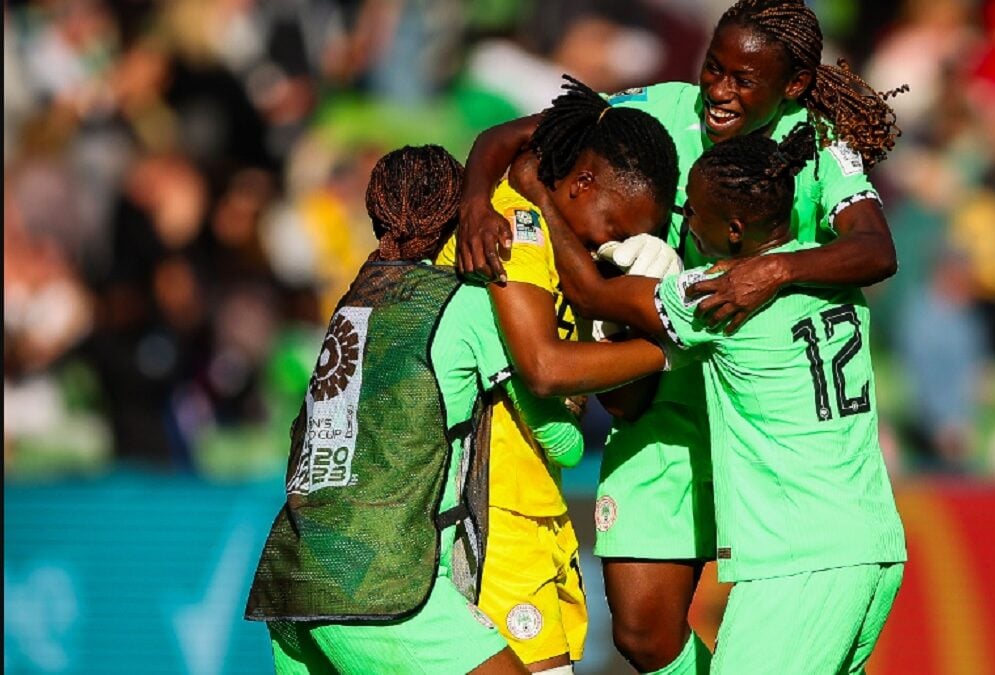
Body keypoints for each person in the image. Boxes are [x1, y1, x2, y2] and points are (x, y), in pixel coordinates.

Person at [455, 1, 906, 671]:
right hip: (666, 395)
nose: (719, 91)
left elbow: (876, 249)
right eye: (713, 68)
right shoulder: (664, 108)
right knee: (643, 633)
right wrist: (474, 203)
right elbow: (513, 136)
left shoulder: (820, 142)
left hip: (761, 402)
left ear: (793, 85)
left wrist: (770, 272)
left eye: (743, 79)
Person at [244, 145, 671, 674]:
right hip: (384, 585)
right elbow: (562, 441)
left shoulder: (353, 301)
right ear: (461, 215)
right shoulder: (464, 303)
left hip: (294, 577)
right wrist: (659, 351)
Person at [542, 131, 907, 674]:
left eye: (694, 211)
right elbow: (872, 245)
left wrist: (540, 202)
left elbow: (590, 294)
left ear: (734, 229)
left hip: (796, 562)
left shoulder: (725, 294)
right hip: (872, 546)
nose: (685, 221)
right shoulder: (835, 272)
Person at [436, 76, 682, 673]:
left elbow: (623, 403)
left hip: (536, 508)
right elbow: (543, 369)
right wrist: (673, 350)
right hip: (487, 508)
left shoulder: (571, 246)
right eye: (616, 227)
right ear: (583, 182)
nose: (616, 243)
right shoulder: (511, 224)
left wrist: (625, 301)